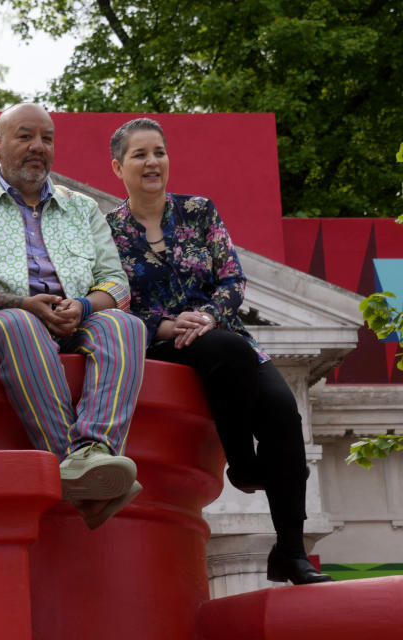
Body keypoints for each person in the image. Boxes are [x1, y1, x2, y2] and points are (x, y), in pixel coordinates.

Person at [104, 117, 332, 585]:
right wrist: (166, 324)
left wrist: (206, 316)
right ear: (117, 167)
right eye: (140, 154)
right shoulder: (105, 230)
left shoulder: (200, 211)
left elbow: (232, 278)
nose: (152, 162)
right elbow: (109, 296)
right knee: (225, 349)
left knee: (282, 412)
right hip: (156, 345)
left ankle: (290, 551)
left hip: (221, 332)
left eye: (159, 152)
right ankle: (243, 465)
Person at [0, 103, 147, 529]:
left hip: (74, 315)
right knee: (21, 325)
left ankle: (96, 453)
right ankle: (73, 464)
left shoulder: (82, 208)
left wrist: (84, 305)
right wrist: (19, 303)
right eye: (25, 136)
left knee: (126, 324)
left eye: (46, 138)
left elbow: (116, 282)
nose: (38, 146)